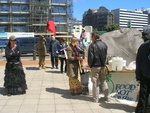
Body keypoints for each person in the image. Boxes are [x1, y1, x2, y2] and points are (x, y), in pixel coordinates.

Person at [88, 32, 109, 103]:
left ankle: (96, 99)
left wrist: (90, 65)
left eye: (91, 37)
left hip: (95, 66)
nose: (91, 38)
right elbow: (106, 55)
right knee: (103, 81)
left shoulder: (92, 45)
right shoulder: (104, 44)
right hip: (102, 66)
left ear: (94, 37)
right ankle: (107, 97)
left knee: (95, 82)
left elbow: (91, 57)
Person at [135, 31, 150, 113]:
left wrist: (138, 76)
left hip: (145, 75)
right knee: (143, 96)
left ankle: (142, 109)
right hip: (145, 75)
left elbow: (138, 62)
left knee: (143, 96)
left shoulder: (142, 46)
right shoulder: (143, 47)